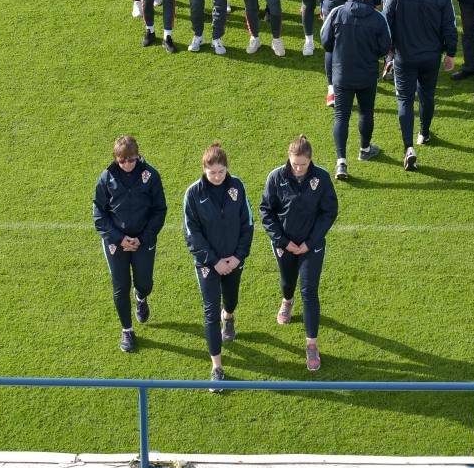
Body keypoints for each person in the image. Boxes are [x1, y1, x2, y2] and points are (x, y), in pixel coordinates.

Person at [260, 134, 338, 372]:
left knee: (309, 290)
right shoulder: (276, 177)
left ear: (310, 160)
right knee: (287, 282)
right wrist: (283, 241)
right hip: (284, 245)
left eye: (303, 165)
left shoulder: (322, 178)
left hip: (311, 247)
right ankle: (287, 300)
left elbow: (329, 212)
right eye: (295, 164)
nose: (298, 169)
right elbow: (266, 211)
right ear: (289, 158)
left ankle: (311, 344)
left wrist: (310, 242)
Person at [182, 143, 254, 390]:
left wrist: (237, 257)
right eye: (212, 172)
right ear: (204, 169)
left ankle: (230, 316)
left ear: (227, 169)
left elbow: (248, 223)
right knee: (210, 311)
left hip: (234, 260)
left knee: (230, 300)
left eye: (221, 172)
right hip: (207, 264)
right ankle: (217, 367)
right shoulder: (193, 194)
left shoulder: (238, 187)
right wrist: (213, 261)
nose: (217, 176)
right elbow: (192, 233)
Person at [383, 0, 458, 170]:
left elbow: (386, 23)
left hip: (404, 57)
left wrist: (389, 51)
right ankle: (424, 133)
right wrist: (451, 54)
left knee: (404, 100)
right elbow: (450, 27)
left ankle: (408, 148)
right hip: (430, 57)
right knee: (427, 95)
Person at [92, 135, 167, 353]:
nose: (126, 164)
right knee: (120, 286)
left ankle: (141, 296)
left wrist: (142, 238)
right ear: (116, 159)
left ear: (137, 155)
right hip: (116, 243)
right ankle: (127, 330)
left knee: (145, 282)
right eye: (122, 160)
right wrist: (118, 238)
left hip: (143, 240)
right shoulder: (106, 178)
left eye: (131, 159)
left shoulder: (150, 176)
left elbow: (159, 210)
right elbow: (99, 214)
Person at [321, 0, 393, 180]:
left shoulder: (337, 13)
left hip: (341, 75)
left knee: (341, 116)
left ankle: (341, 162)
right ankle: (364, 149)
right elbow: (385, 47)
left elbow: (326, 42)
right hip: (367, 75)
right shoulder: (379, 18)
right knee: (366, 112)